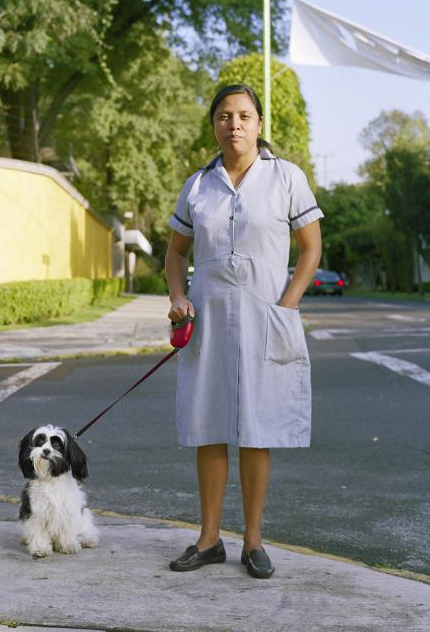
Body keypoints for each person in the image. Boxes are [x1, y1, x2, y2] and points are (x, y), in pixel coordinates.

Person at [165, 84, 323, 579]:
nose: (234, 124)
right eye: (224, 116)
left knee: (258, 428)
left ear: (258, 124)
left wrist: (286, 305)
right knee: (209, 424)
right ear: (213, 125)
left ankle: (253, 540)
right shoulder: (197, 185)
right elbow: (175, 253)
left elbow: (310, 248)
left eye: (244, 116)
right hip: (209, 317)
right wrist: (177, 297)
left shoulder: (287, 178)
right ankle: (209, 539)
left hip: (266, 315)